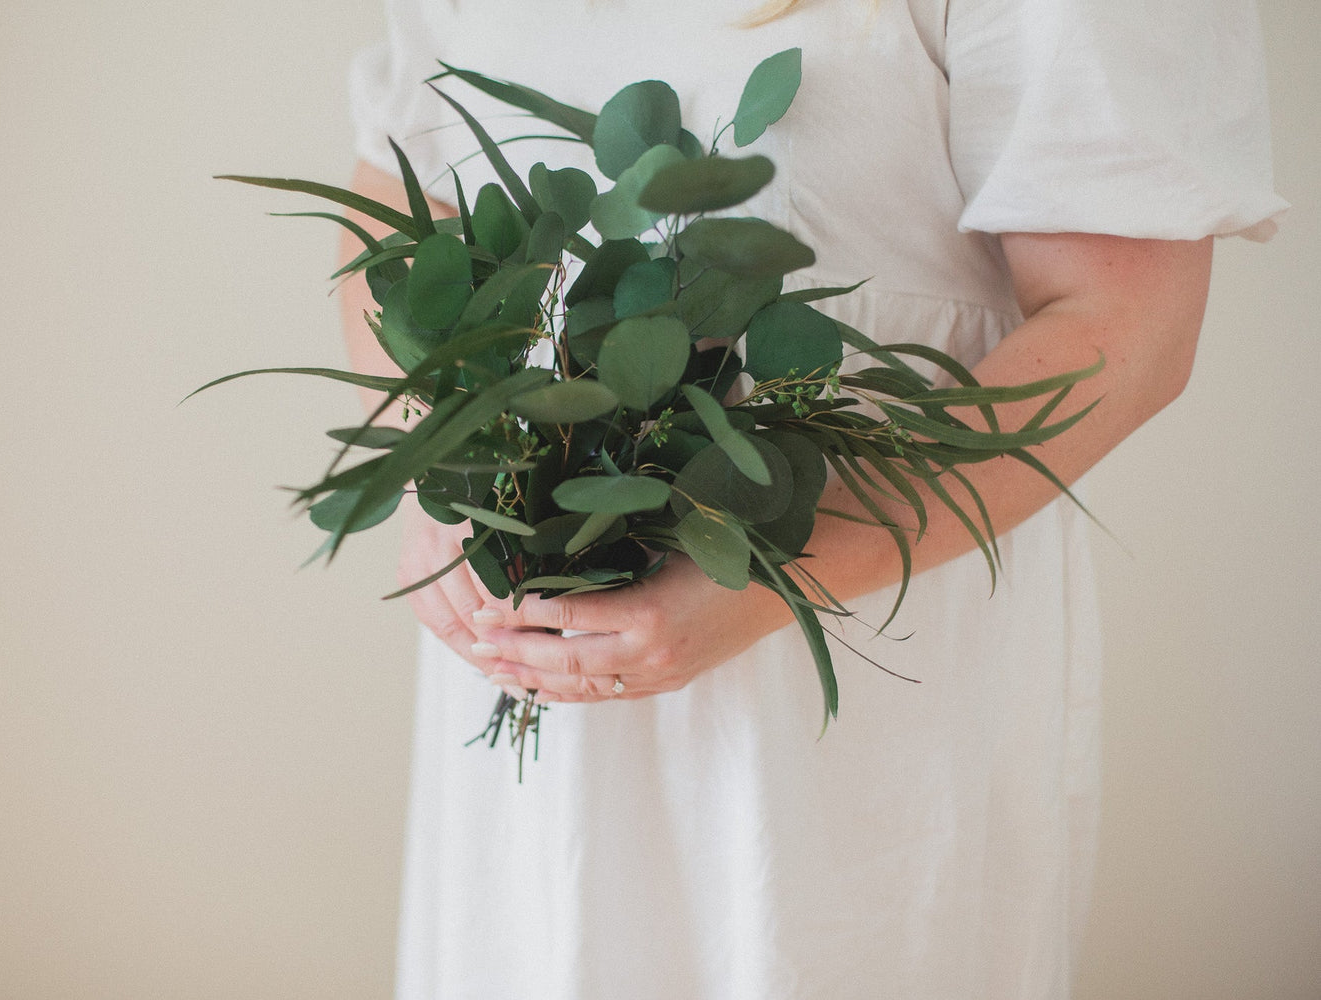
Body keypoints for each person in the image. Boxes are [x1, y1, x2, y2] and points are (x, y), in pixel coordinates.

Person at [340, 0, 1284, 996]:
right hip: (519, 663)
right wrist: (436, 462)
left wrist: (777, 569)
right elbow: (399, 201)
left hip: (858, 654)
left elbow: (1126, 321)